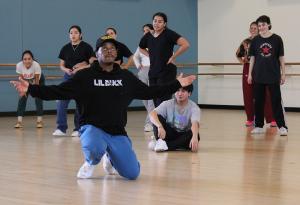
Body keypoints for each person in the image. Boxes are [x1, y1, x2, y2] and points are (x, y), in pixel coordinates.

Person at [11, 35, 196, 180]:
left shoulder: (126, 77)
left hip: (117, 131)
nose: (109, 51)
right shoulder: (85, 76)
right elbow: (58, 91)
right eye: (104, 49)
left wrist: (175, 84)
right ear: (96, 54)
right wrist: (31, 89)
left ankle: (110, 157)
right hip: (92, 128)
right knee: (93, 145)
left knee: (132, 174)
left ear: (117, 53)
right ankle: (91, 162)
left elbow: (149, 92)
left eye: (112, 49)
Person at [247, 15, 288, 136]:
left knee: (276, 101)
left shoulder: (277, 39)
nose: (261, 27)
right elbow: (252, 58)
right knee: (258, 102)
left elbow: (281, 58)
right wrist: (250, 74)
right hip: (258, 75)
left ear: (269, 25)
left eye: (263, 25)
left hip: (273, 75)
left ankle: (282, 126)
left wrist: (283, 74)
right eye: (259, 26)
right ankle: (259, 125)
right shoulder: (255, 40)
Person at [139, 12, 190, 107]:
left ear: (164, 24)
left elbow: (185, 44)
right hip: (153, 72)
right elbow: (141, 47)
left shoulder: (169, 34)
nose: (156, 23)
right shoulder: (148, 35)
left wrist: (173, 57)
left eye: (160, 22)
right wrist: (150, 55)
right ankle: (158, 121)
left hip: (166, 71)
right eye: (155, 21)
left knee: (163, 101)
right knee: (155, 101)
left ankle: (164, 121)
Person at [53, 25, 95, 137]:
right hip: (68, 77)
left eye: (76, 32)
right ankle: (61, 128)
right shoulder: (65, 48)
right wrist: (66, 69)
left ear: (80, 34)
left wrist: (81, 67)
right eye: (71, 33)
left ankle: (78, 128)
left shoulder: (87, 47)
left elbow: (93, 63)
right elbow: (61, 64)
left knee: (79, 102)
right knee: (61, 101)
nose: (73, 35)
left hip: (82, 77)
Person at [236, 22, 276, 127]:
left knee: (266, 94)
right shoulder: (245, 42)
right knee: (248, 94)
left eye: (255, 28)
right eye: (251, 28)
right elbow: (237, 54)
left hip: (260, 69)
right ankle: (250, 118)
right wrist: (243, 61)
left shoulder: (262, 41)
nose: (253, 30)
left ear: (258, 29)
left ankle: (271, 118)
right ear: (249, 30)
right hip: (247, 68)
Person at [148, 84, 200, 152]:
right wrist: (159, 126)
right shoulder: (167, 103)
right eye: (177, 91)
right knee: (157, 117)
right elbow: (152, 114)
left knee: (195, 135)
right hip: (169, 133)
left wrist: (195, 137)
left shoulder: (194, 107)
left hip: (183, 135)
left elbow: (195, 124)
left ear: (189, 93)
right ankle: (164, 143)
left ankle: (163, 145)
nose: (180, 94)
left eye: (183, 91)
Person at [14, 50, 45, 128]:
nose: (27, 61)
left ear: (32, 59)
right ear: (22, 60)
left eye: (29, 59)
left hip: (38, 81)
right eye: (25, 59)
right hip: (26, 81)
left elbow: (36, 82)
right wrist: (23, 90)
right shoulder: (19, 65)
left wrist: (35, 91)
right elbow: (21, 79)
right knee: (22, 98)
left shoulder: (36, 65)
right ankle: (19, 121)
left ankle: (39, 120)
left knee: (38, 98)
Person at [133, 24, 155, 132]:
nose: (146, 32)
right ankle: (152, 116)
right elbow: (135, 56)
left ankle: (149, 123)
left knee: (151, 98)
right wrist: (138, 66)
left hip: (154, 71)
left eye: (148, 30)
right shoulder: (141, 45)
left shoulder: (157, 42)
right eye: (144, 30)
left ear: (152, 30)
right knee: (144, 96)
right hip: (143, 72)